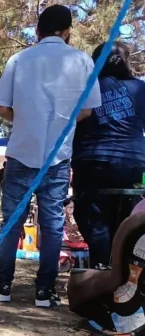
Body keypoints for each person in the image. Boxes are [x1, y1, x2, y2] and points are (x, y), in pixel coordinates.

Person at [0, 5, 101, 307]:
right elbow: (88, 110)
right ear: (68, 31)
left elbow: (1, 107)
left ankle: (2, 284)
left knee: (11, 222)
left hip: (21, 153)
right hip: (58, 157)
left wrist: (25, 120)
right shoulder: (83, 61)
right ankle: (45, 290)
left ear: (37, 31)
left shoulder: (18, 59)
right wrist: (61, 124)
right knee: (52, 225)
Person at [72, 41, 145, 268]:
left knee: (93, 219)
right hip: (133, 163)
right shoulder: (140, 88)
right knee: (128, 221)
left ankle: (101, 269)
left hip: (93, 162)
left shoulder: (85, 88)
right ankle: (123, 271)